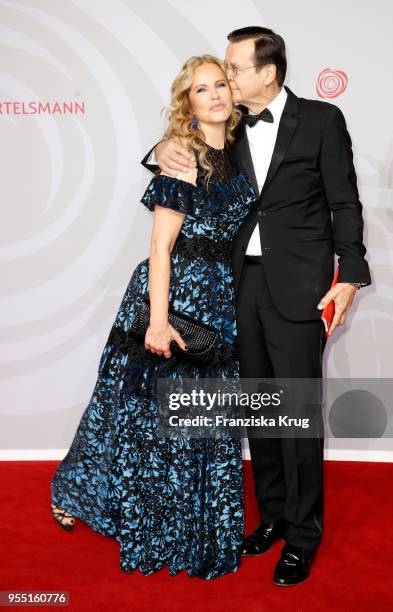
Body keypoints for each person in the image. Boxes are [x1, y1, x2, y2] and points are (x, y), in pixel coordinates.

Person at [142, 26, 371, 586]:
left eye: (236, 68)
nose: (228, 78)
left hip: (301, 286)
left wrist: (352, 276)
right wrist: (159, 149)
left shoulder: (321, 121)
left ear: (267, 72)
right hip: (237, 285)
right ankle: (270, 516)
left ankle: (303, 534)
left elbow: (344, 201)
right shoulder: (230, 124)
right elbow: (180, 150)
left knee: (296, 416)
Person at [50, 55, 258, 579]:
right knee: (137, 410)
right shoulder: (182, 156)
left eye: (219, 85)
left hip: (218, 297)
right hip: (175, 291)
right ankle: (86, 493)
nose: (213, 95)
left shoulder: (238, 150)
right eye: (200, 90)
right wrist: (158, 322)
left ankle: (191, 518)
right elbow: (161, 248)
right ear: (186, 104)